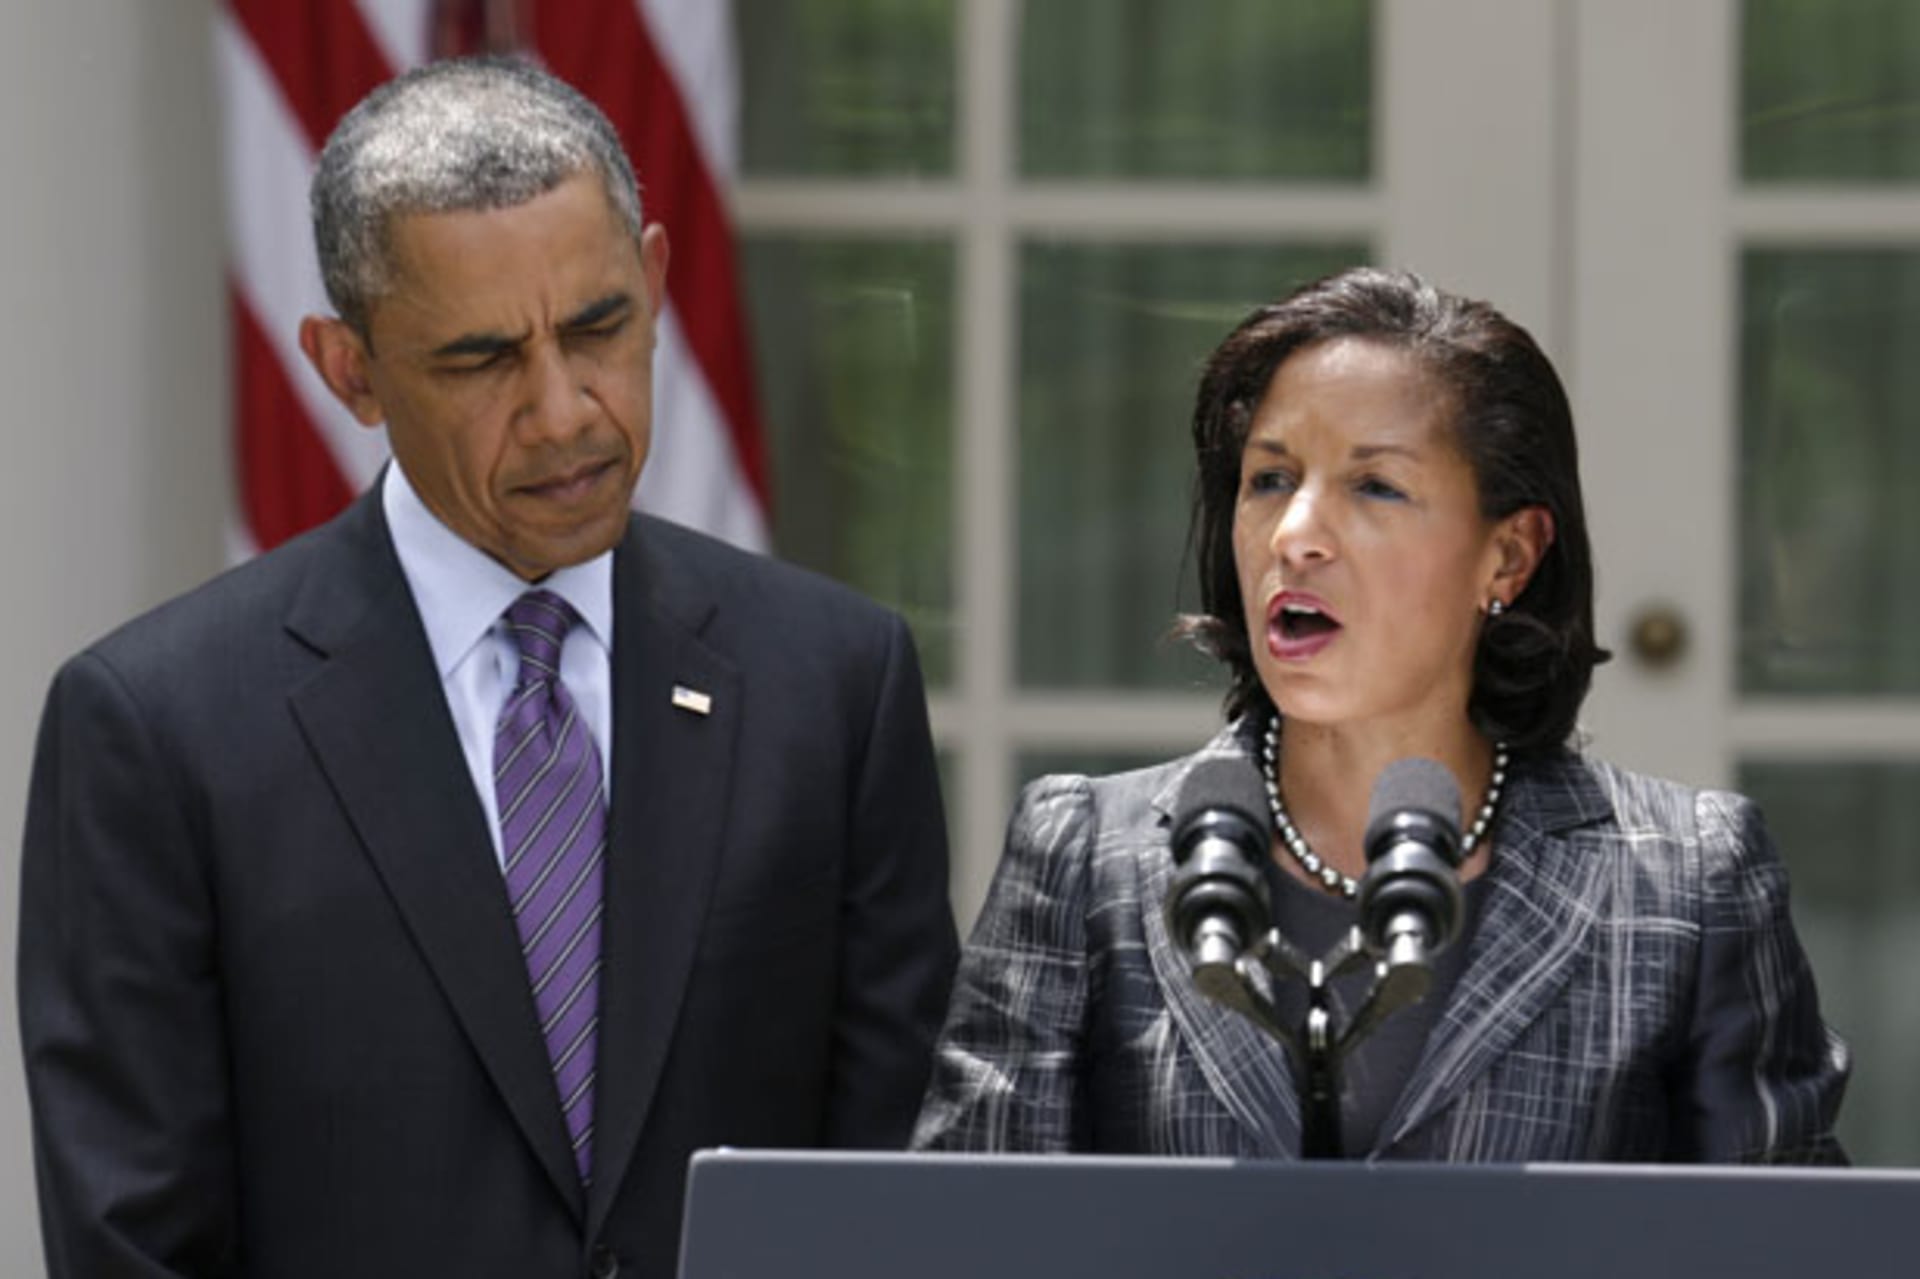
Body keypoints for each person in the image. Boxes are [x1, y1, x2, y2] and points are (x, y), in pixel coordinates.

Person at [19, 57, 957, 1278]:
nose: (565, 410)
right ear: (348, 369)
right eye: (480, 360)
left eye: (599, 328)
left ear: (659, 281)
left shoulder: (835, 685)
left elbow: (898, 1198)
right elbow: (132, 1241)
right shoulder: (157, 730)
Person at [913, 267, 1847, 1162]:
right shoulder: (1083, 858)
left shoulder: (1688, 882)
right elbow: (961, 1237)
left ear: (1510, 556)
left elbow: (1788, 1245)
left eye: (1375, 486)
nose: (1295, 535)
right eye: (1270, 479)